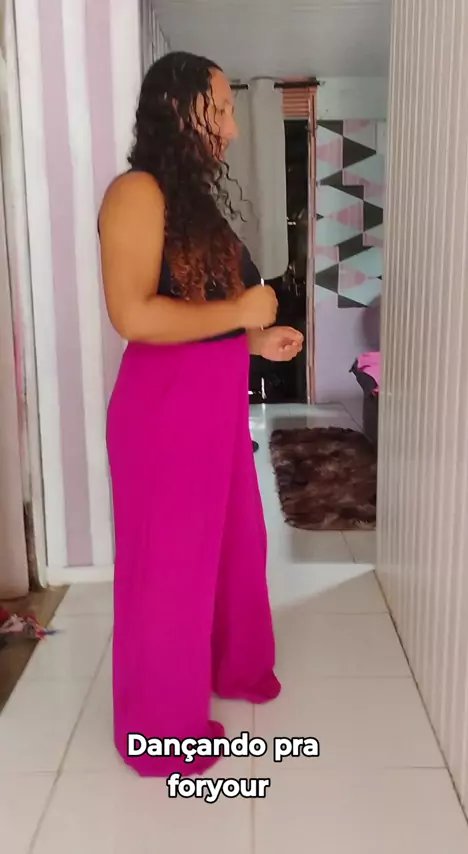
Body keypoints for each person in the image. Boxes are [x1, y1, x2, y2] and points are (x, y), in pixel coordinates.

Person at [98, 51, 303, 778]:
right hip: (164, 414)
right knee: (171, 570)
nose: (232, 129)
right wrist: (241, 312)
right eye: (221, 109)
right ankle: (161, 730)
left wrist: (253, 340)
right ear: (179, 110)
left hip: (212, 407)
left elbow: (198, 316)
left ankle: (228, 669)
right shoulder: (136, 192)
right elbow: (133, 315)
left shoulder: (193, 204)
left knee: (234, 547)